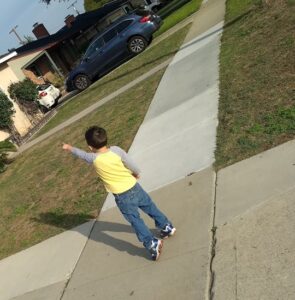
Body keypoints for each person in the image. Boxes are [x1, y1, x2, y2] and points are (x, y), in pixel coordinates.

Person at [62, 126, 176, 261]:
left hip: (123, 197)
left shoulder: (93, 158)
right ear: (105, 138)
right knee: (150, 207)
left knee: (135, 220)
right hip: (135, 187)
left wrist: (69, 147)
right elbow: (130, 163)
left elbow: (80, 154)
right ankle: (166, 226)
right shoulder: (116, 150)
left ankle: (151, 243)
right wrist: (136, 172)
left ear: (90, 147)